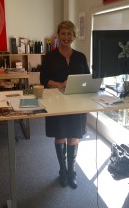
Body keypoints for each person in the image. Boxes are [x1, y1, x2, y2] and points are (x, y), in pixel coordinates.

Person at [40, 20, 90, 189]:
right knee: (60, 135)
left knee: (74, 136)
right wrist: (60, 84)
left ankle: (72, 172)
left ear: (74, 36)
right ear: (58, 35)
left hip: (76, 103)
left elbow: (86, 79)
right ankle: (62, 170)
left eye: (69, 34)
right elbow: (44, 80)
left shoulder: (81, 57)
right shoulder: (50, 57)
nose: (66, 37)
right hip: (57, 103)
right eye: (63, 33)